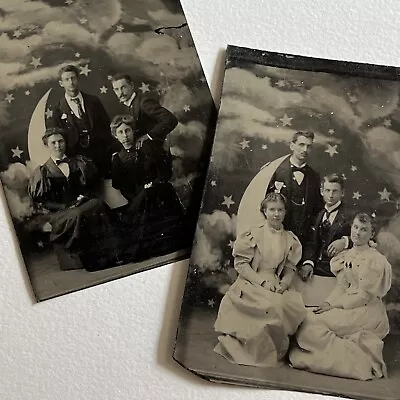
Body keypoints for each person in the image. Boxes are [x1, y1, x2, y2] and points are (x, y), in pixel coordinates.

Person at [289, 213, 392, 380]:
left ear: (372, 234)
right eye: (356, 227)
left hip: (365, 310)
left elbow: (363, 297)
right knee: (306, 318)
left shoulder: (375, 261)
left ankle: (353, 361)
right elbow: (342, 286)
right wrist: (328, 302)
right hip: (346, 303)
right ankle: (335, 356)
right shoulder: (347, 255)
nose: (357, 233)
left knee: (313, 325)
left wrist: (335, 306)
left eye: (364, 230)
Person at [214, 193, 307, 368]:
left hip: (275, 282)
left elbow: (289, 269)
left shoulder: (290, 239)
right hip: (252, 281)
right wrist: (263, 282)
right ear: (264, 211)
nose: (276, 214)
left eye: (280, 210)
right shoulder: (253, 234)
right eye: (272, 210)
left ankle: (277, 350)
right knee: (271, 308)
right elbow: (241, 265)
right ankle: (258, 352)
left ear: (285, 212)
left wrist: (284, 284)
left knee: (286, 305)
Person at [28, 127, 119, 271]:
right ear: (47, 146)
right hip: (59, 212)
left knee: (97, 203)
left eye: (61, 141)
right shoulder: (42, 171)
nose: (58, 146)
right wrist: (64, 207)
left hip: (80, 204)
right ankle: (90, 260)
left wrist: (84, 196)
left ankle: (110, 253)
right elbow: (42, 201)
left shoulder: (78, 162)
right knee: (77, 214)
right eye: (53, 143)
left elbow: (91, 185)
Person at [110, 115, 186, 258]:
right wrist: (138, 197)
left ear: (133, 131)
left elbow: (164, 172)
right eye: (120, 132)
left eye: (127, 131)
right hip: (138, 199)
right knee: (142, 201)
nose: (125, 136)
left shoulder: (146, 147)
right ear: (115, 136)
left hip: (159, 191)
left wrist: (153, 184)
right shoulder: (117, 159)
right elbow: (122, 188)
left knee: (151, 194)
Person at [50, 65, 119, 177]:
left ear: (78, 79)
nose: (71, 82)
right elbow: (57, 137)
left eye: (73, 78)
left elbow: (107, 126)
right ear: (61, 83)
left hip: (101, 155)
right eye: (67, 79)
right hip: (77, 160)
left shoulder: (93, 101)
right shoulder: (58, 109)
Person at [296, 173, 352, 305]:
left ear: (342, 193)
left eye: (335, 191)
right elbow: (311, 242)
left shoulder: (350, 215)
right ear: (322, 192)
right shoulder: (317, 215)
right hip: (317, 268)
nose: (331, 195)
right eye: (327, 191)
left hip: (337, 272)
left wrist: (345, 241)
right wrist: (308, 262)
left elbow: (370, 238)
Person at [111, 73, 178, 181]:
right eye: (116, 89)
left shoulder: (143, 102)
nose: (120, 92)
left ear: (132, 86)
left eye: (123, 87)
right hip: (144, 158)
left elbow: (170, 119)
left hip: (156, 156)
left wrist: (148, 135)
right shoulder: (127, 106)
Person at [266, 131, 323, 245]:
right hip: (276, 235)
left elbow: (317, 208)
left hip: (303, 239)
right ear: (292, 146)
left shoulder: (314, 176)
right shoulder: (274, 171)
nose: (305, 149)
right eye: (301, 144)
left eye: (309, 146)